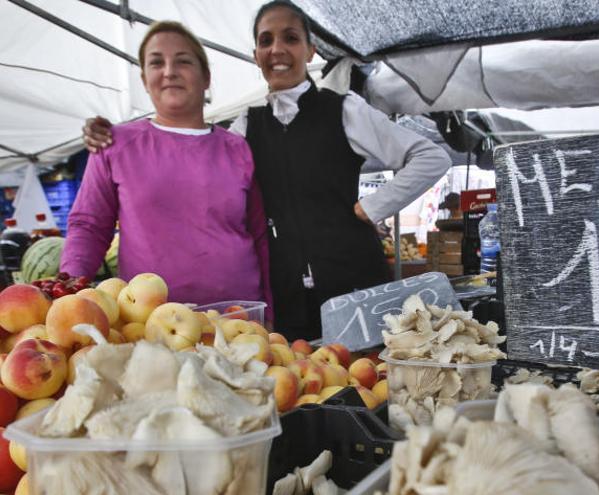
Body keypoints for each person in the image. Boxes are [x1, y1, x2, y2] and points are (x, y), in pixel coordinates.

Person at [83, 1, 450, 341]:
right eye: (266, 40)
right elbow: (197, 166)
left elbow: (431, 158)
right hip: (285, 296)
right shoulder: (243, 129)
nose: (277, 49)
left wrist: (372, 207)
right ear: (256, 55)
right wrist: (108, 135)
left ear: (311, 51)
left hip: (353, 281)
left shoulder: (344, 110)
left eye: (290, 39)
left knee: (367, 383)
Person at [65, 21, 273, 317]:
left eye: (183, 61)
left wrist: (268, 313)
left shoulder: (237, 148)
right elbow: (89, 226)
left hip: (238, 317)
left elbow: (259, 235)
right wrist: (69, 293)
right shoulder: (115, 144)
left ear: (206, 77)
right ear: (144, 78)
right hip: (151, 326)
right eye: (156, 62)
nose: (169, 71)